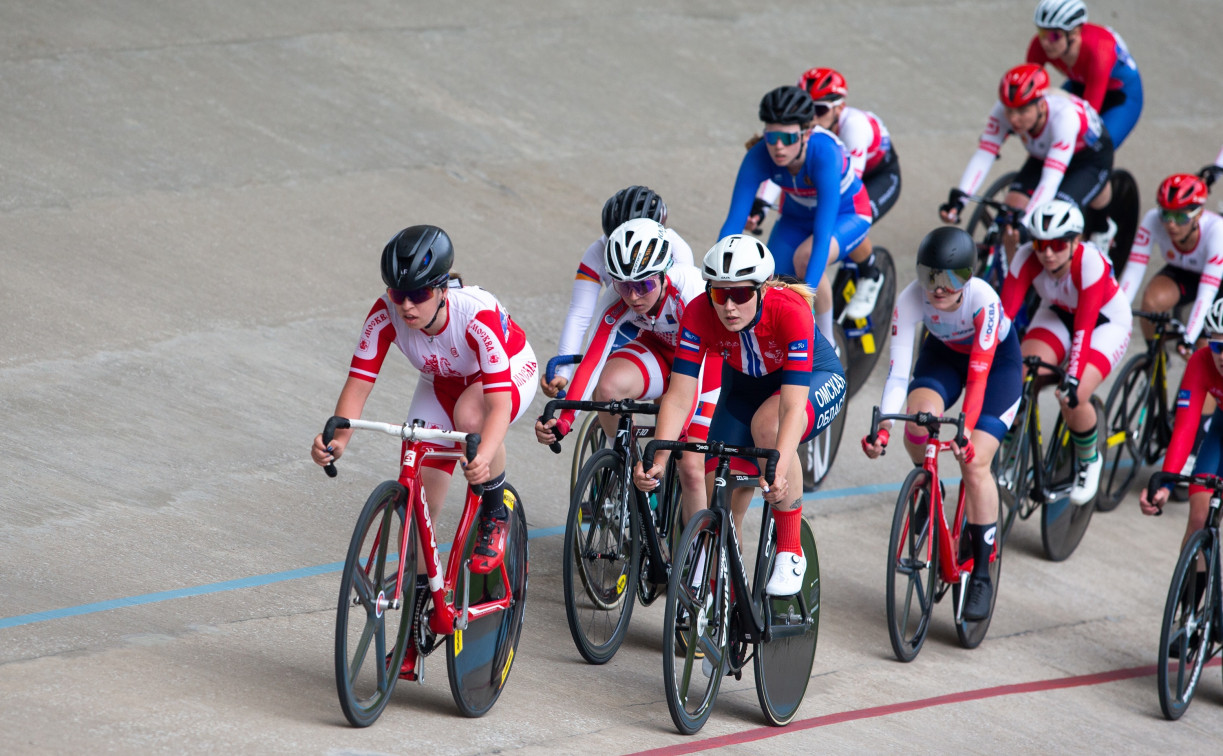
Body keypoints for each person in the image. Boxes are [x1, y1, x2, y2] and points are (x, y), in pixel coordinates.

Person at [309, 224, 538, 679]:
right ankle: (412, 637)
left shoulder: (477, 314)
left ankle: (495, 513)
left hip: (505, 377)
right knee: (419, 509)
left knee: (472, 421)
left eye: (417, 295)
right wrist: (336, 441)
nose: (407, 306)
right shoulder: (386, 313)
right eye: (398, 295)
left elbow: (498, 406)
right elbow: (358, 386)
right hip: (439, 383)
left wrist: (482, 458)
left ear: (441, 288)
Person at [633, 234, 847, 596]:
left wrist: (776, 470)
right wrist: (658, 457)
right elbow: (680, 394)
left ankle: (791, 549)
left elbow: (792, 406)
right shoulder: (699, 312)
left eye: (741, 294)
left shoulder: (790, 311)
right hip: (746, 391)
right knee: (722, 494)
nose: (730, 306)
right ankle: (725, 600)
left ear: (762, 290)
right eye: (720, 294)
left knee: (770, 429)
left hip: (813, 381)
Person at [862, 227, 1020, 620]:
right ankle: (927, 482)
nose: (938, 289)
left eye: (952, 279)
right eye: (930, 276)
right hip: (944, 357)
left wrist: (965, 432)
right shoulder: (910, 299)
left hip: (996, 366)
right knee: (918, 422)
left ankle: (981, 572)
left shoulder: (984, 301)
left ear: (969, 277)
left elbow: (979, 378)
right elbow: (898, 375)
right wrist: (884, 428)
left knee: (975, 462)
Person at [535, 218, 718, 521]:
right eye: (623, 286)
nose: (633, 297)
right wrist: (564, 422)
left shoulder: (690, 291)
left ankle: (695, 565)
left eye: (644, 285)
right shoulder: (618, 300)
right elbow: (593, 360)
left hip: (705, 364)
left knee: (689, 466)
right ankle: (627, 467)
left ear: (663, 273)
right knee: (607, 388)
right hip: (661, 351)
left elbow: (688, 389)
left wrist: (667, 447)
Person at [1000, 199, 1131, 505]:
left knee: (1073, 396)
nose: (1047, 253)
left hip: (1104, 323)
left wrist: (1071, 379)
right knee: (1015, 378)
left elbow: (1083, 331)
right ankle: (1006, 454)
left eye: (1057, 244)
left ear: (1075, 241)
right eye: (1040, 243)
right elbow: (1004, 317)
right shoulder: (1025, 257)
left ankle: (1089, 460)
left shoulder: (1091, 263)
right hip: (1058, 313)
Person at [721, 85, 874, 345]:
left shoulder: (825, 153)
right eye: (771, 137)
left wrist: (806, 300)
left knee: (804, 260)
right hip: (795, 218)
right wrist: (719, 280)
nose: (779, 147)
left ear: (807, 133)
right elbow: (733, 225)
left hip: (847, 214)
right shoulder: (758, 156)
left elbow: (823, 236)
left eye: (789, 138)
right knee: (768, 284)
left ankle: (827, 342)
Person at [749, 68, 900, 320]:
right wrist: (762, 203)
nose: (812, 117)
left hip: (876, 177)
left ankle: (870, 272)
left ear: (839, 108)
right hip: (826, 176)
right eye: (808, 109)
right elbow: (785, 167)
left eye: (819, 110)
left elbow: (847, 193)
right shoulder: (804, 133)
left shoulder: (854, 128)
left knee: (832, 231)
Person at [939, 63, 1116, 252]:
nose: (1014, 119)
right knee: (1012, 206)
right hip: (1045, 154)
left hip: (1089, 159)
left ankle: (1102, 231)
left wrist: (1025, 224)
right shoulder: (1003, 110)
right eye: (1010, 111)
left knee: (1052, 220)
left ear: (1041, 104)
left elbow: (1050, 180)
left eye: (1023, 111)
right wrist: (960, 200)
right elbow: (984, 154)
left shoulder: (1064, 118)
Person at [543, 185, 694, 398]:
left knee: (670, 394)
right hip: (625, 320)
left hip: (665, 330)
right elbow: (580, 313)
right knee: (605, 387)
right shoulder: (597, 252)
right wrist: (564, 372)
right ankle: (621, 430)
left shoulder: (676, 247)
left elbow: (681, 311)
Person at [1140, 302, 1223, 563]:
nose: (1222, 357)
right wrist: (1166, 483)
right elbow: (1185, 430)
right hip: (1219, 433)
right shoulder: (1200, 362)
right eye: (1217, 347)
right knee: (1199, 518)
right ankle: (1190, 603)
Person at [1119, 174, 1223, 352]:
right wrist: (1116, 312)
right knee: (1151, 303)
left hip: (1217, 281)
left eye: (1180, 218)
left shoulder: (1217, 231)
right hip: (1184, 272)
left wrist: (1189, 337)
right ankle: (1156, 359)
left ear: (1198, 216)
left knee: (1203, 346)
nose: (1171, 225)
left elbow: (1207, 294)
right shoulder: (1153, 219)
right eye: (1166, 214)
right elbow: (1134, 271)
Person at [1027, 0, 1143, 149]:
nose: (1045, 42)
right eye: (1041, 32)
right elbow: (1026, 90)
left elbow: (1089, 115)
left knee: (1094, 148)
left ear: (1074, 33)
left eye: (1053, 36)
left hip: (1122, 97)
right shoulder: (1039, 44)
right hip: (1081, 85)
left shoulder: (1099, 51)